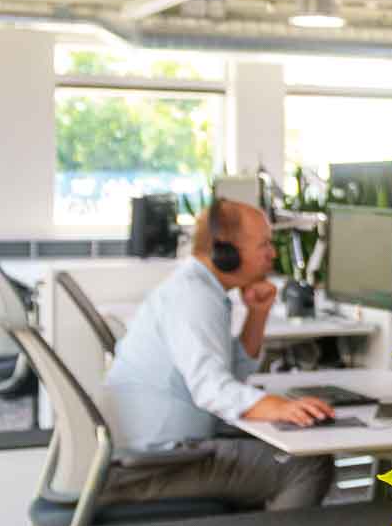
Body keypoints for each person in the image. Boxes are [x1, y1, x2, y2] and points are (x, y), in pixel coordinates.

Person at [102, 199, 334, 510]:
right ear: (226, 252)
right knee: (307, 465)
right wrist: (278, 407)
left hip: (159, 452)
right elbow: (211, 390)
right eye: (264, 244)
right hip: (154, 464)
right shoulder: (194, 297)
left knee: (287, 444)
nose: (273, 254)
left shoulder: (201, 288)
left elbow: (230, 377)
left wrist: (257, 313)